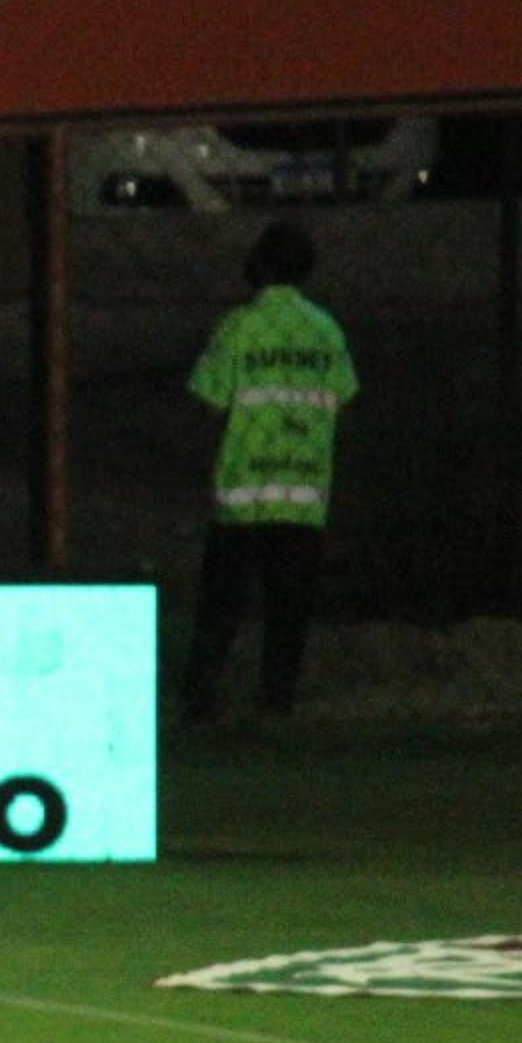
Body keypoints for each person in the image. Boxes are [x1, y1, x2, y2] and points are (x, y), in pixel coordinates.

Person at [183, 218, 357, 724]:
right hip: (303, 490)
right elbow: (343, 395)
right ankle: (276, 700)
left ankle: (202, 697)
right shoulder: (326, 331)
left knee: (222, 601)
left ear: (256, 267)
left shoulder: (239, 327)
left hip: (245, 490)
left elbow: (211, 398)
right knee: (290, 606)